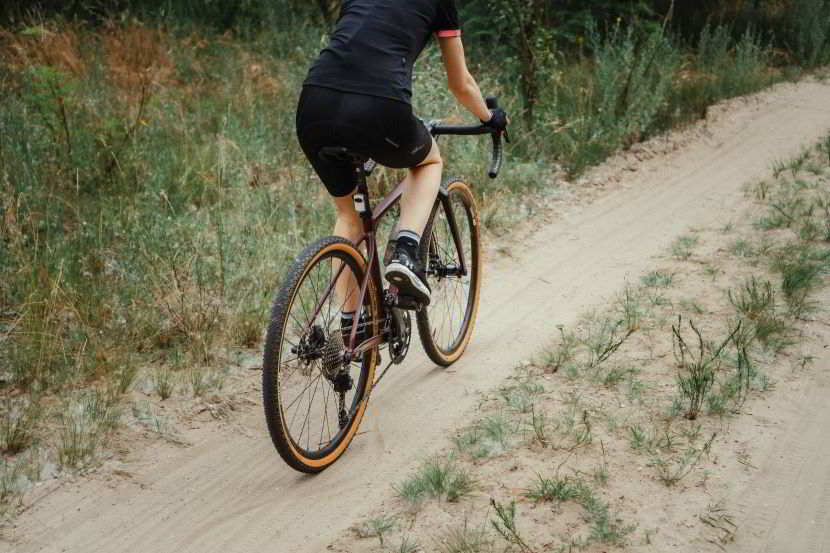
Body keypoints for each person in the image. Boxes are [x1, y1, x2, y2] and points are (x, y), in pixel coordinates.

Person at [295, 0, 508, 337]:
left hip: (314, 104)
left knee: (349, 215)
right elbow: (460, 83)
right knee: (428, 161)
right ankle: (407, 252)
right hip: (379, 107)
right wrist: (489, 118)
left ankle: (353, 325)